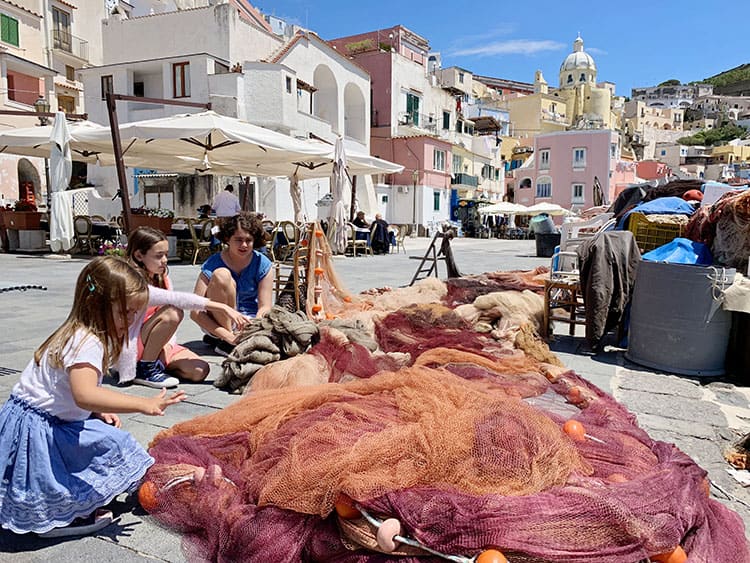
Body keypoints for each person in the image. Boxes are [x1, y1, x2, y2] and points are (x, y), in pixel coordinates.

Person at [0, 256, 187, 538]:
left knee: (108, 438)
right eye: (125, 312)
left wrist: (96, 412)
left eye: (136, 312)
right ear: (97, 304)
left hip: (30, 419)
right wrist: (143, 403)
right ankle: (60, 517)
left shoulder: (75, 331)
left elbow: (59, 390)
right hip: (41, 430)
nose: (132, 321)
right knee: (114, 443)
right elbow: (85, 394)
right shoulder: (88, 342)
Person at [126, 227, 248, 387]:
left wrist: (168, 345)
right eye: (158, 256)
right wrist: (223, 308)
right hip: (133, 344)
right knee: (173, 312)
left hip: (156, 342)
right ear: (139, 255)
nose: (164, 260)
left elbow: (168, 327)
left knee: (199, 371)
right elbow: (178, 299)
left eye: (165, 254)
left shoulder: (162, 277)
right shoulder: (131, 282)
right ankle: (145, 368)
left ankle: (154, 364)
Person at [191, 213, 273, 356]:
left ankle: (225, 340)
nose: (244, 245)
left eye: (249, 240)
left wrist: (255, 324)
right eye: (238, 240)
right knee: (221, 274)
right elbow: (195, 310)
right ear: (228, 239)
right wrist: (227, 335)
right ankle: (226, 341)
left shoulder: (262, 263)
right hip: (218, 321)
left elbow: (265, 306)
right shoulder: (213, 263)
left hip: (250, 321)